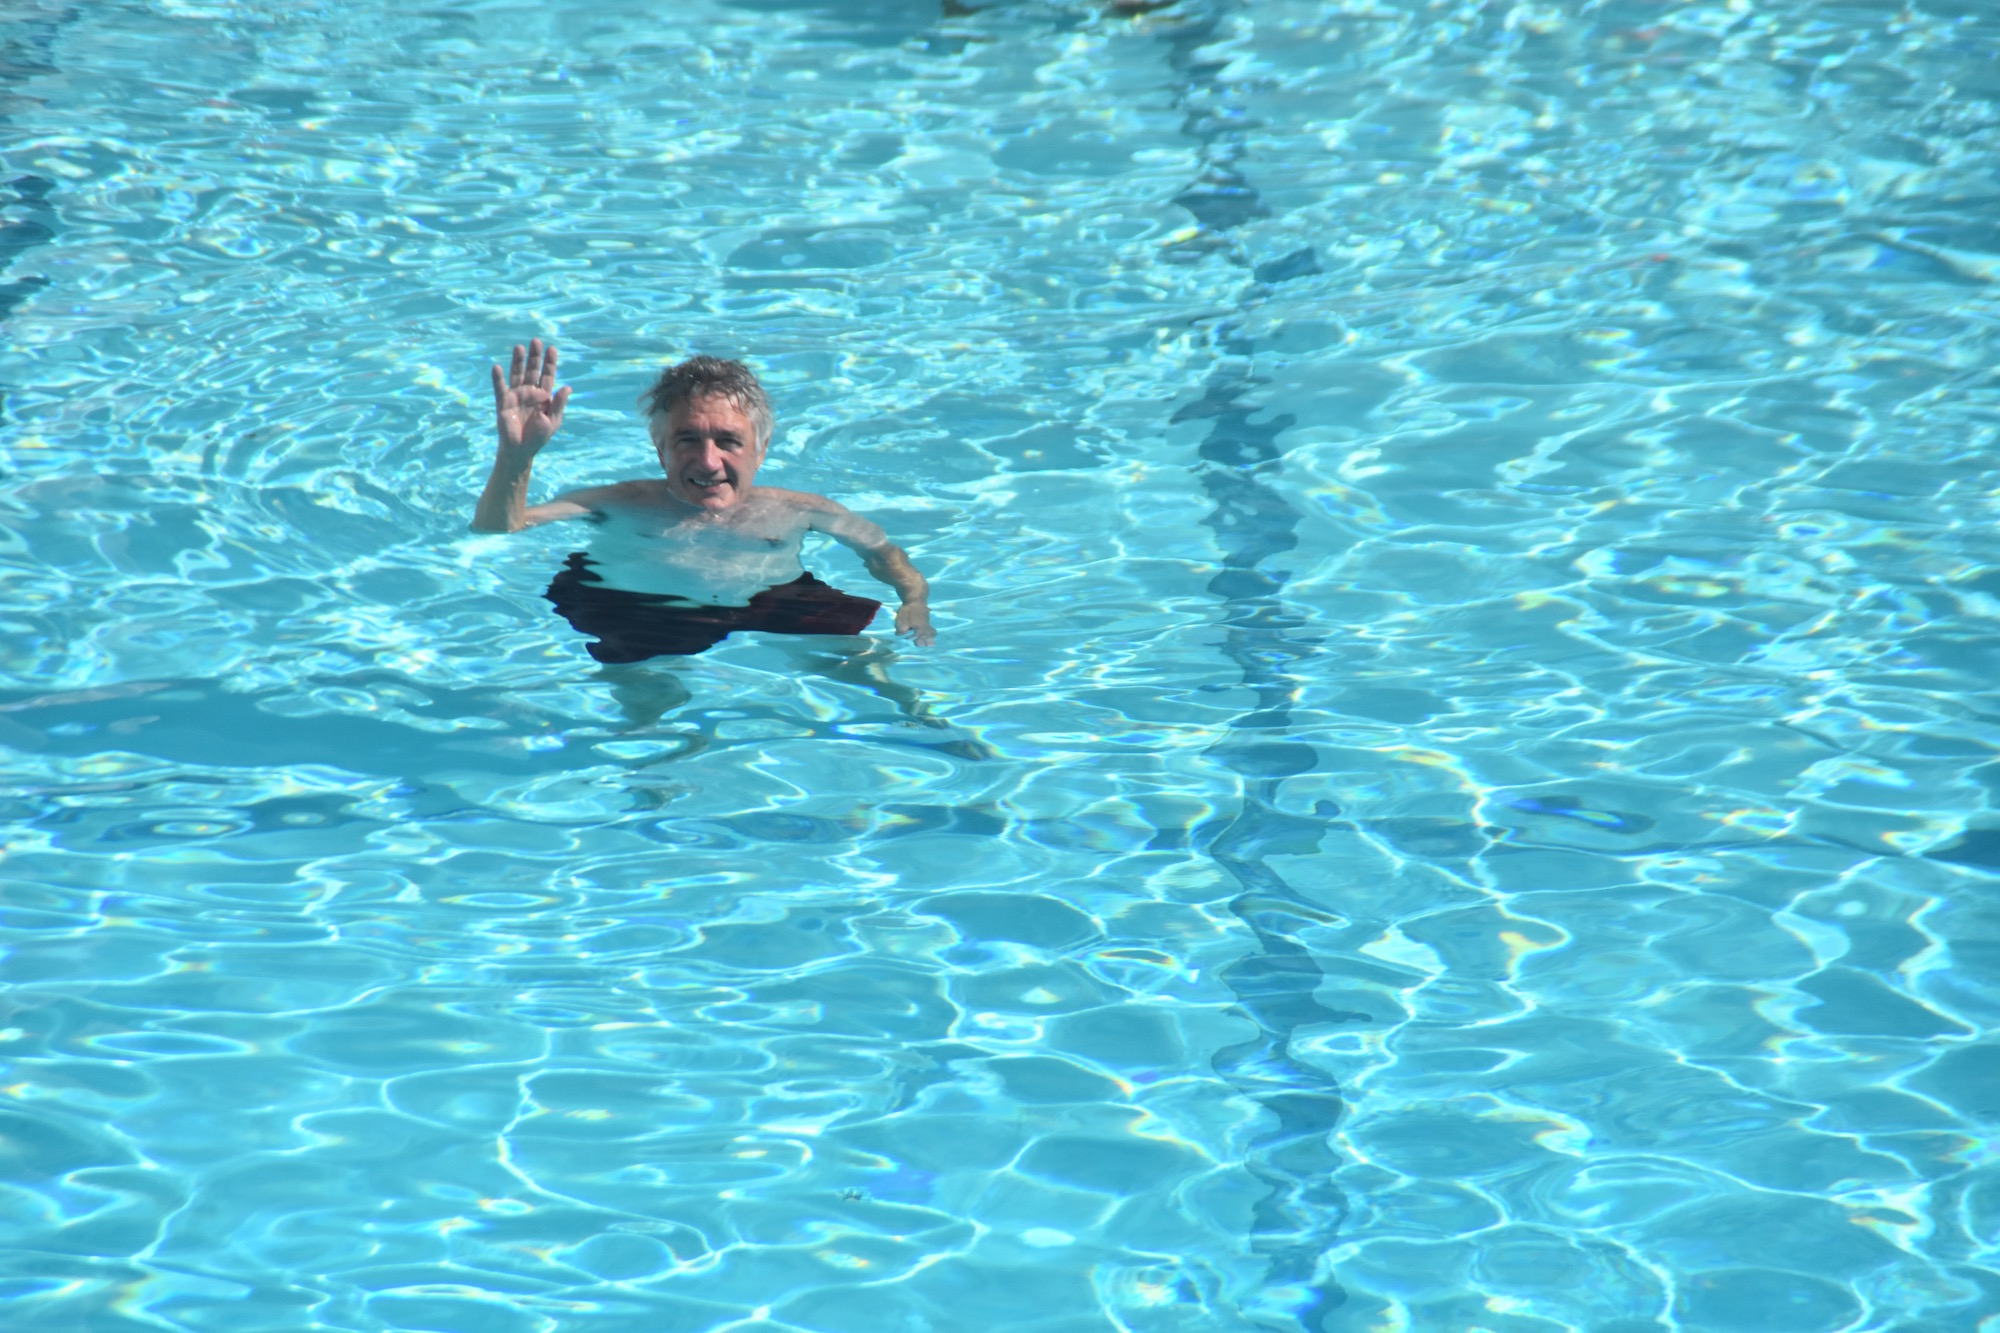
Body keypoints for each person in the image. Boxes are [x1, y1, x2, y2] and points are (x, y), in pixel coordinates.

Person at [470, 339, 935, 662]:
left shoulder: (799, 510)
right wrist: (516, 457)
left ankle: (929, 736)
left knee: (870, 672)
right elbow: (499, 529)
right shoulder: (621, 502)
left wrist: (914, 599)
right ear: (660, 450)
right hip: (641, 607)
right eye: (687, 438)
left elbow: (881, 550)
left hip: (768, 598)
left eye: (728, 441)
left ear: (762, 448)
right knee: (648, 709)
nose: (708, 462)